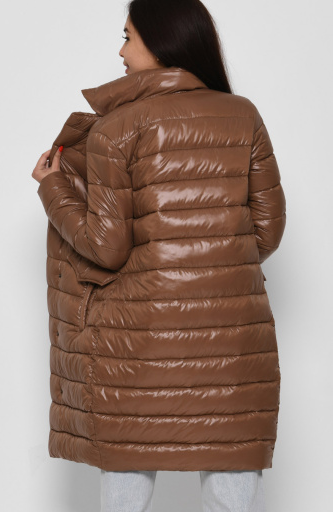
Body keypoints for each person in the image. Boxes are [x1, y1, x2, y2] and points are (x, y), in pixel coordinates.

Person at [32, 0, 286, 511]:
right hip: (233, 345)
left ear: (161, 39)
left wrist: (53, 187)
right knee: (231, 474)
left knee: (128, 476)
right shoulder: (244, 116)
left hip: (137, 346)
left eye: (128, 37)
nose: (121, 52)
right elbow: (267, 230)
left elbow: (105, 246)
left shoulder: (117, 128)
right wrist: (212, 266)